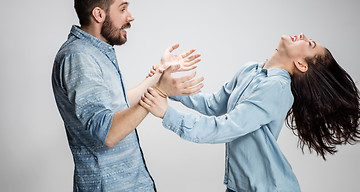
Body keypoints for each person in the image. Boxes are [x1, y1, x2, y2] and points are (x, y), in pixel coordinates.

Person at [140, 33, 360, 192]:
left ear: (302, 64)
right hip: (238, 187)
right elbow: (214, 105)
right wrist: (168, 88)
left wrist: (167, 113)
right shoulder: (250, 70)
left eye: (309, 43)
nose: (302, 35)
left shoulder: (276, 89)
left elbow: (223, 128)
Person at [51, 0, 204, 191]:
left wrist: (158, 76)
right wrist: (159, 92)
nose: (130, 17)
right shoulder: (79, 57)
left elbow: (118, 105)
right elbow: (108, 133)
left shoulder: (93, 51)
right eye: (122, 9)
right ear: (98, 14)